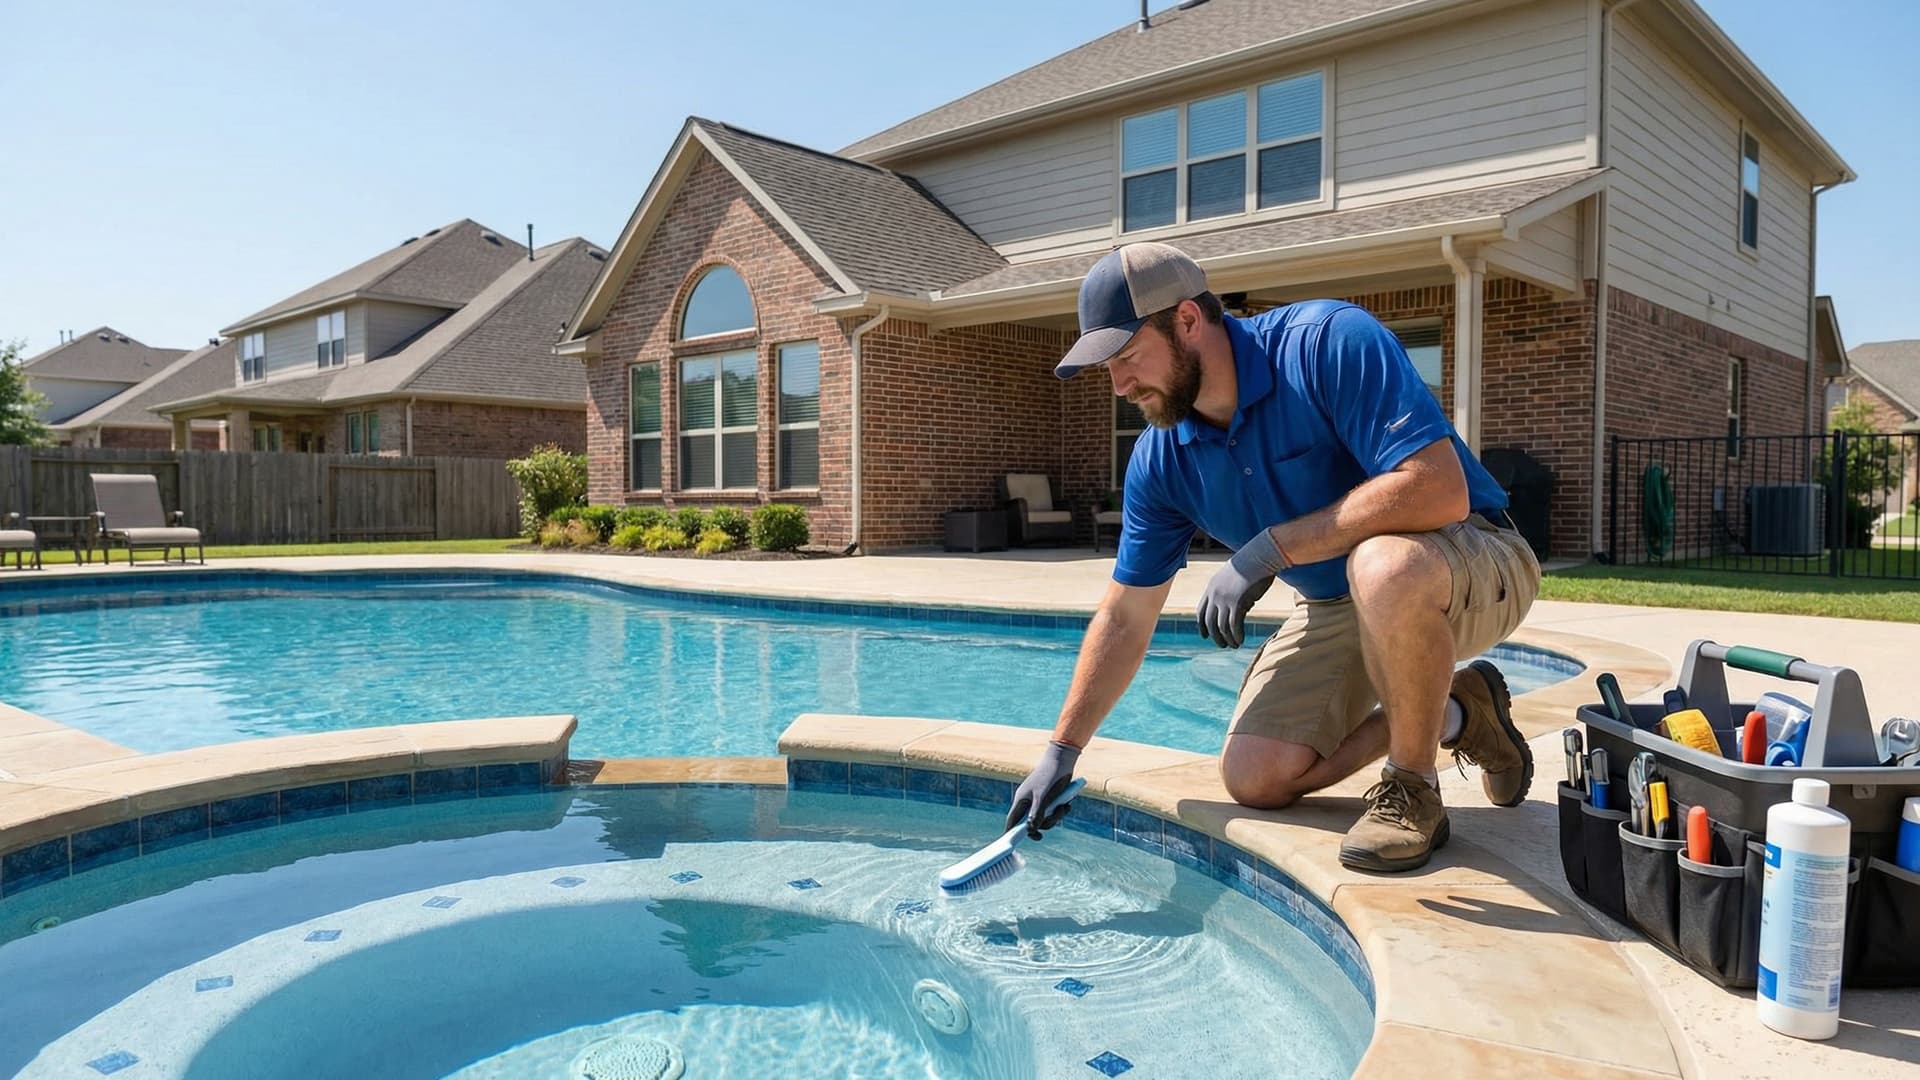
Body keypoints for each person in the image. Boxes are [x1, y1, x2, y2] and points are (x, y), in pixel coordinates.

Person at [1006, 242, 1541, 871]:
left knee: (1383, 565)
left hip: (1468, 556)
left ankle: (1413, 786)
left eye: (1127, 356)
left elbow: (1439, 488)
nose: (1120, 384)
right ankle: (1459, 712)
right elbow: (1125, 616)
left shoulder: (1327, 343)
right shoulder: (1161, 459)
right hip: (1338, 601)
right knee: (1257, 776)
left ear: (1186, 320)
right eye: (1108, 366)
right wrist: (1063, 751)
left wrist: (1270, 549)